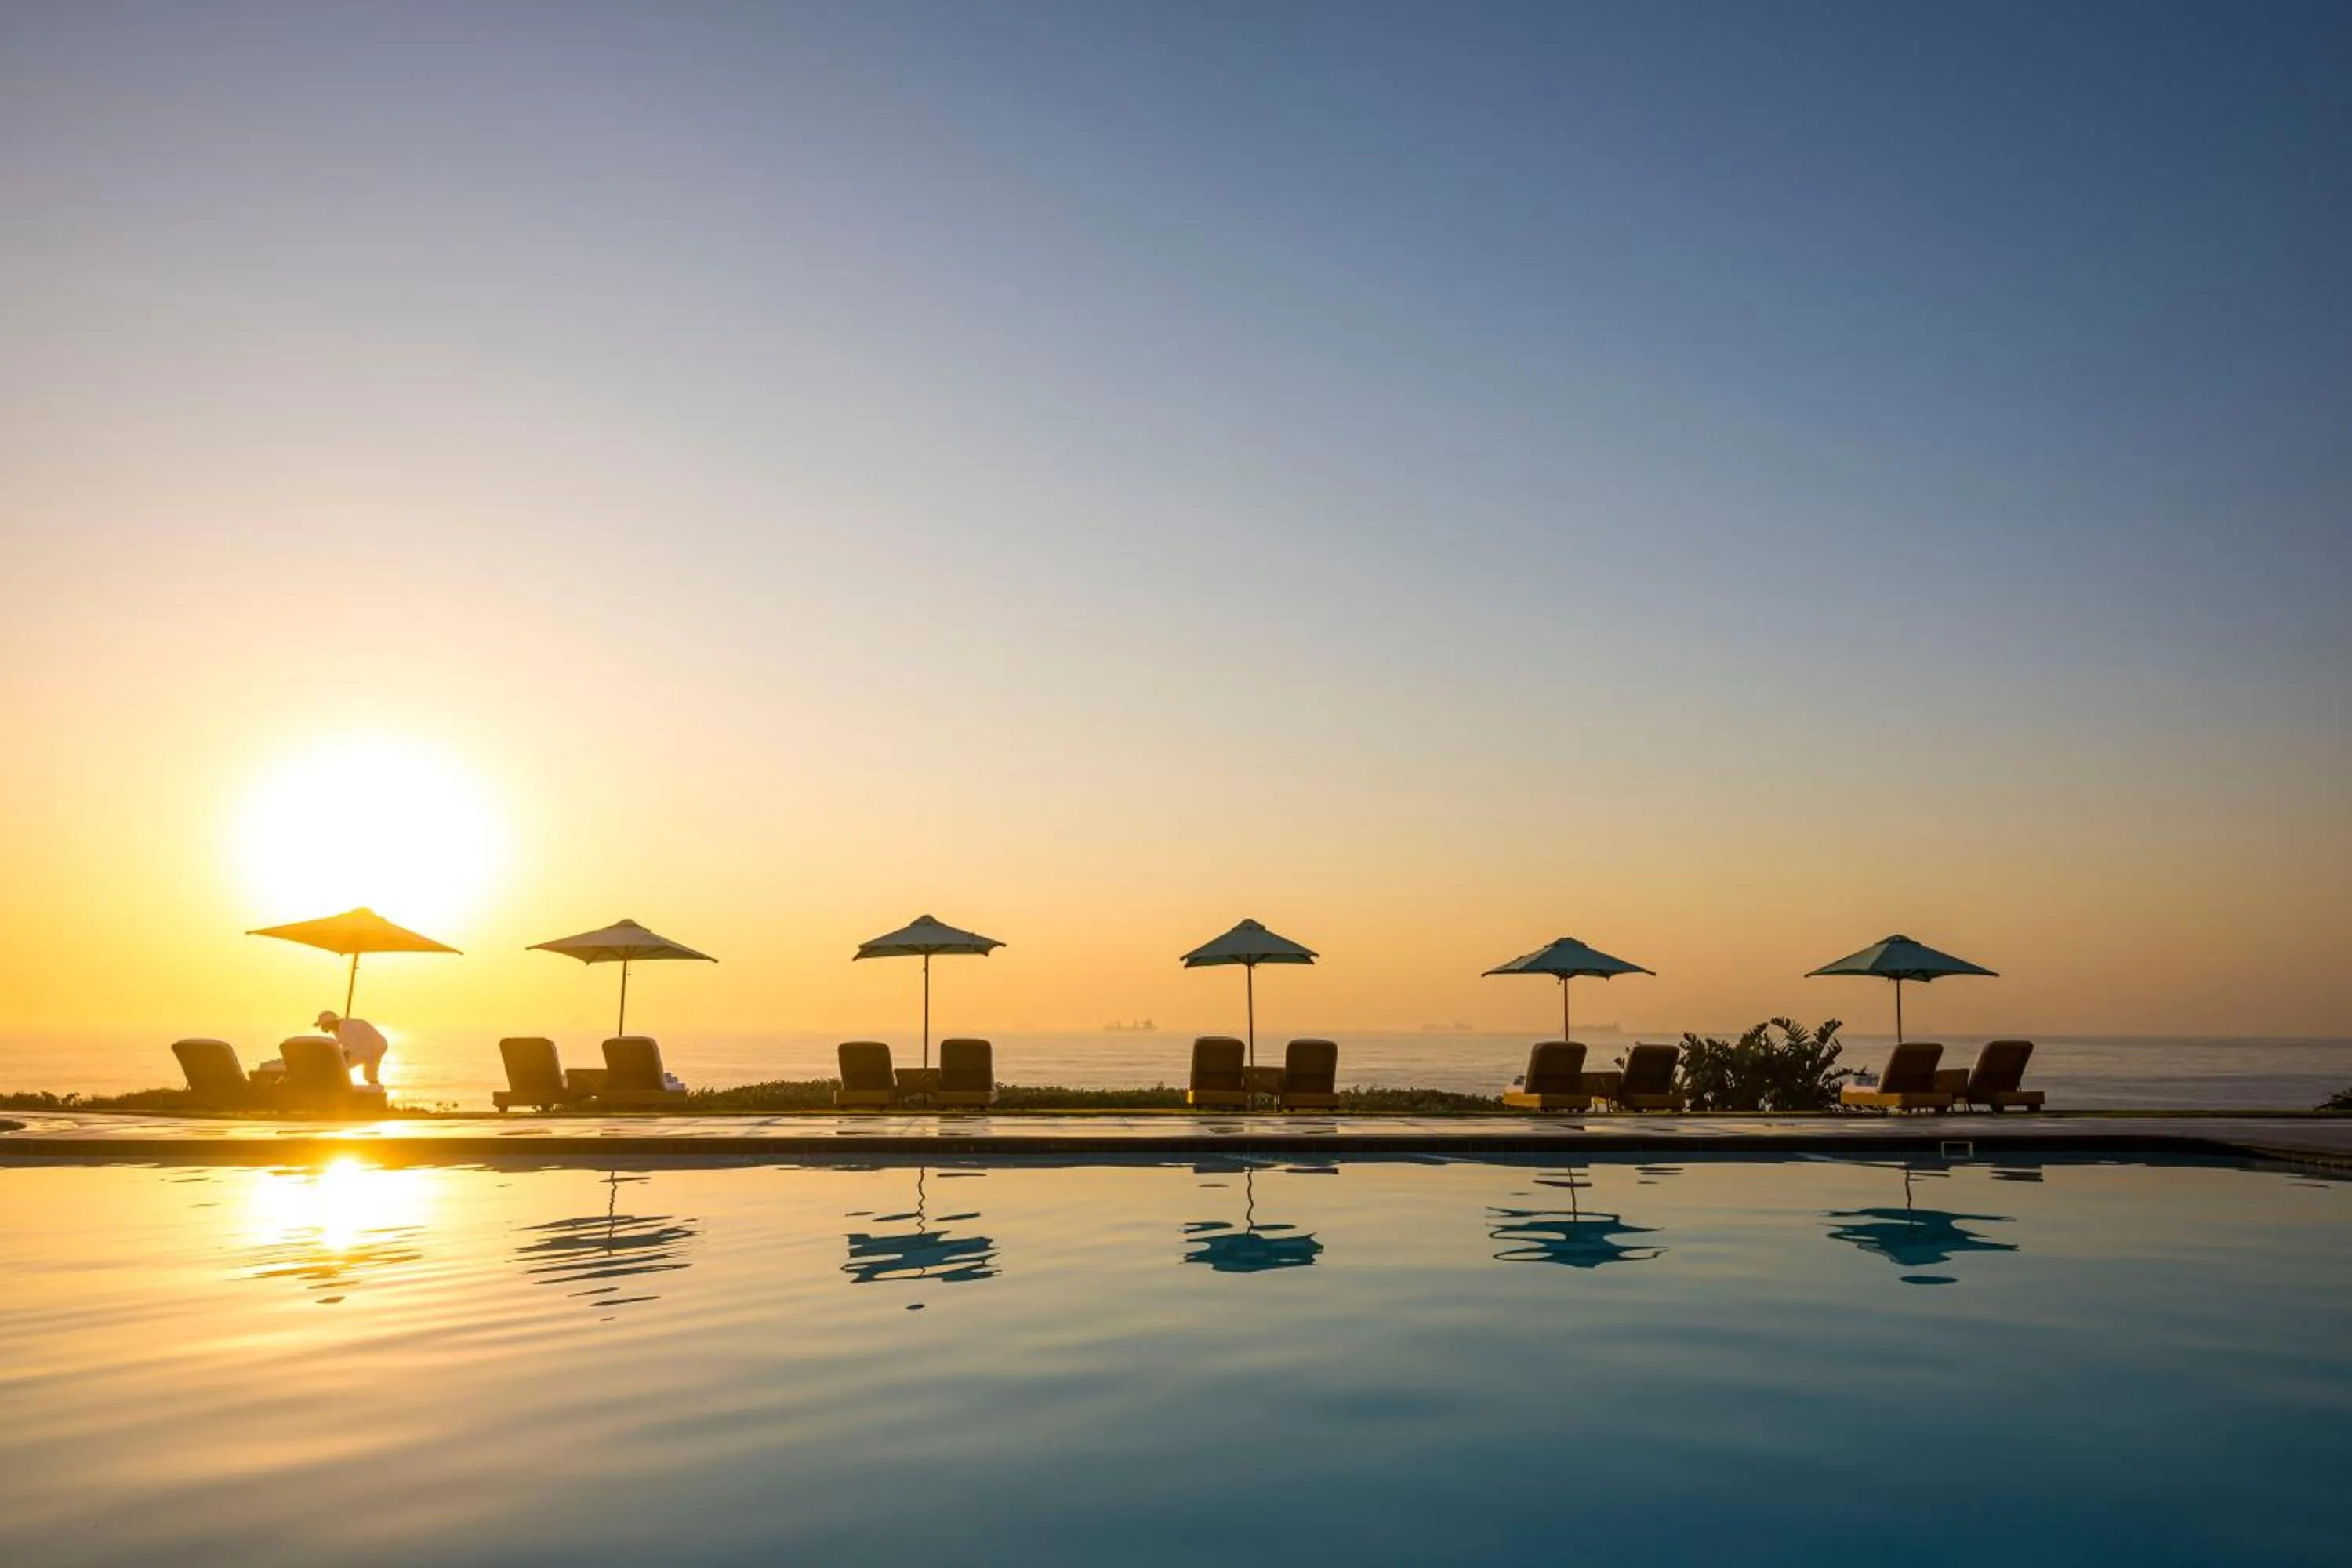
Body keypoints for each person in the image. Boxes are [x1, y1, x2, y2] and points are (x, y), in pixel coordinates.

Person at [314, 1010, 390, 1087]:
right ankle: (375, 1090)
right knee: (368, 1075)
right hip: (367, 1047)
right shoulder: (337, 1030)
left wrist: (342, 1061)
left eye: (322, 1025)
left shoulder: (348, 1028)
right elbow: (345, 1046)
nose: (322, 1028)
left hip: (375, 1047)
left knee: (342, 1066)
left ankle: (343, 1087)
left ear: (329, 1023)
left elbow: (350, 1048)